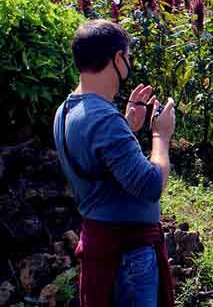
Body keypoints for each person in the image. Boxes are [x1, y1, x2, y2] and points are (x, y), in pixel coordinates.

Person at [53, 19, 177, 307]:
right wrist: (160, 135)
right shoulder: (104, 120)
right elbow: (150, 185)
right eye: (128, 57)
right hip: (128, 256)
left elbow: (98, 166)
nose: (129, 63)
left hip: (104, 245)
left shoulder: (67, 109)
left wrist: (127, 126)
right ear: (117, 58)